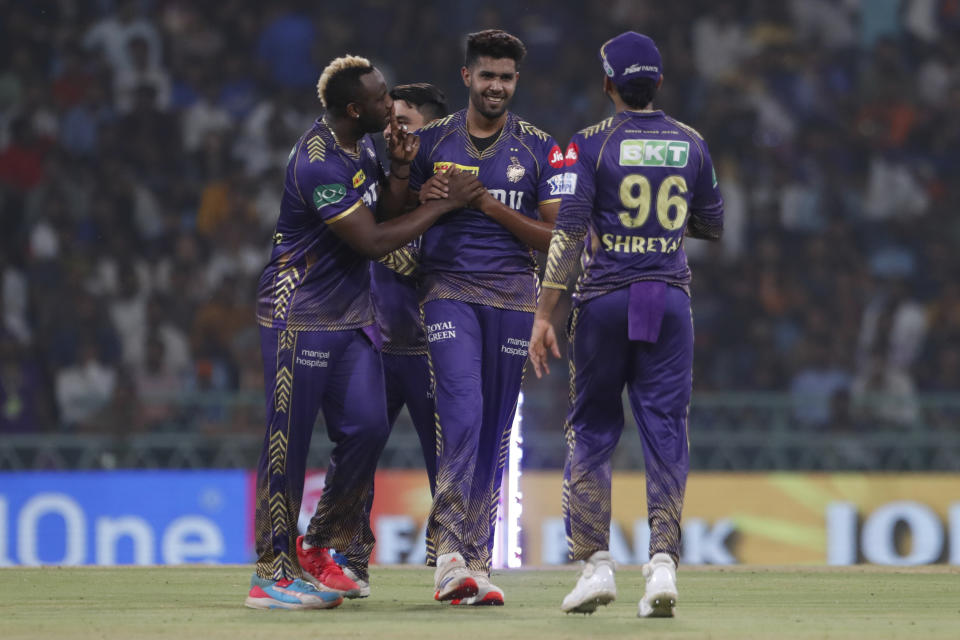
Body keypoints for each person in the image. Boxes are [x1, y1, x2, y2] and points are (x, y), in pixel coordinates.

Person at [247, 55, 484, 610]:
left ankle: (317, 545)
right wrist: (445, 203)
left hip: (350, 316)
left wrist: (401, 172)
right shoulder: (318, 164)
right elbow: (375, 241)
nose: (391, 105)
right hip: (298, 315)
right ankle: (271, 572)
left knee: (369, 427)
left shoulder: (369, 147)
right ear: (356, 109)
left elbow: (388, 209)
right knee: (288, 443)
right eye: (382, 99)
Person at [527, 32, 724, 617]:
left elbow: (567, 232)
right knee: (666, 431)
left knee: (591, 431)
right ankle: (662, 564)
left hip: (605, 300)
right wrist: (657, 234)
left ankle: (594, 566)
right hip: (667, 300)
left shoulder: (592, 144)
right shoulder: (692, 143)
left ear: (608, 84)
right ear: (658, 83)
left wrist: (544, 313)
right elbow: (711, 225)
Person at [408, 29, 565, 606]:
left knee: (497, 428)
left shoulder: (540, 148)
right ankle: (449, 553)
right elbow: (393, 211)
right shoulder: (431, 140)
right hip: (447, 288)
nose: (496, 86)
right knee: (464, 412)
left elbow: (558, 236)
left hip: (514, 296)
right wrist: (419, 194)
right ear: (466, 77)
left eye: (505, 77)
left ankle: (475, 564)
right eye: (486, 75)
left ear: (515, 83)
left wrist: (485, 204)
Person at [333, 83, 450, 597]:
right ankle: (349, 559)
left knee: (449, 462)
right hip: (378, 342)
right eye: (389, 119)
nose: (391, 128)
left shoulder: (451, 184)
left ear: (431, 130)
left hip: (434, 349)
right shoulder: (378, 179)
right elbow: (367, 246)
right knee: (356, 453)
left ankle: (451, 559)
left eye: (403, 119)